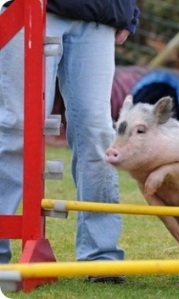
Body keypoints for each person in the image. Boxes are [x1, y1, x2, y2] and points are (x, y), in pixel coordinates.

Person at [0, 0, 139, 283]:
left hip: (100, 16)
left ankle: (101, 256)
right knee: (18, 127)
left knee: (97, 132)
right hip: (30, 8)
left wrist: (128, 12)